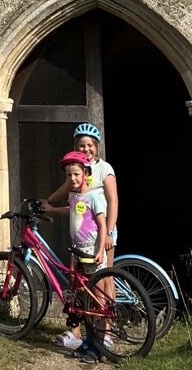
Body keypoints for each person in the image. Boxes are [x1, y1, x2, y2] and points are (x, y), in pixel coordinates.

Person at [39, 123, 119, 352]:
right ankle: (77, 332)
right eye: (82, 145)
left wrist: (110, 233)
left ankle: (107, 333)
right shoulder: (76, 169)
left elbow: (112, 201)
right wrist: (48, 202)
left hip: (102, 233)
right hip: (81, 237)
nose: (86, 149)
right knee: (79, 284)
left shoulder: (104, 168)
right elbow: (67, 190)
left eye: (90, 145)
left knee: (104, 283)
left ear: (97, 147)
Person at [59, 149, 110, 364]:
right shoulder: (73, 196)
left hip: (92, 253)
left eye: (76, 174)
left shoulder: (94, 196)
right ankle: (88, 342)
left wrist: (100, 250)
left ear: (86, 174)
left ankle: (98, 347)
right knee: (83, 299)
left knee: (97, 300)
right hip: (78, 253)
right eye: (69, 175)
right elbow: (71, 212)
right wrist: (51, 210)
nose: (72, 178)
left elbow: (102, 225)